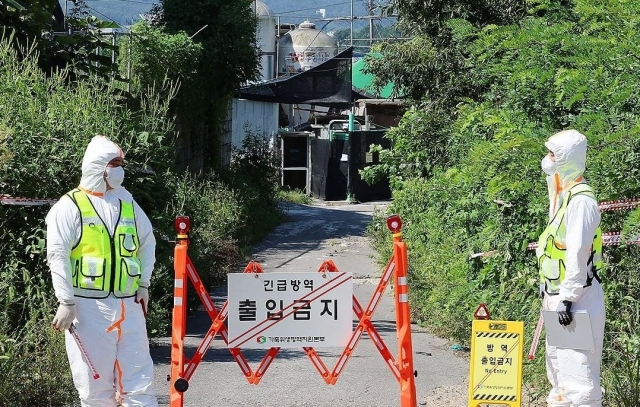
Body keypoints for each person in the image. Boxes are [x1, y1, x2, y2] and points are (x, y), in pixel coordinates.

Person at [46, 135, 158, 407]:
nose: (120, 169)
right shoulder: (69, 207)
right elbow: (57, 255)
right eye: (115, 163)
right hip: (88, 309)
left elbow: (147, 242)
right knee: (95, 388)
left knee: (140, 382)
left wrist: (143, 284)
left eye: (120, 163)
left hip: (128, 305)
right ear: (99, 167)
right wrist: (66, 301)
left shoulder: (127, 203)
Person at [536, 129, 606, 407]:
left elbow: (578, 253)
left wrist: (567, 298)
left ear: (566, 160)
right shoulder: (563, 195)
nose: (547, 159)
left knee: (578, 376)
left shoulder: (581, 202)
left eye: (553, 155)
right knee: (560, 370)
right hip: (561, 298)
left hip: (575, 301)